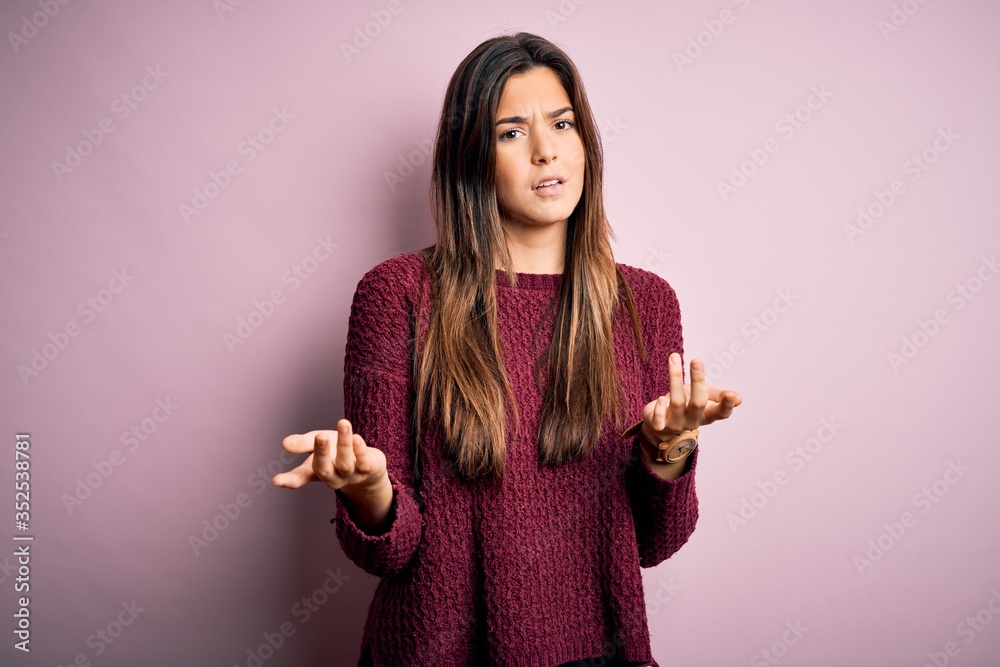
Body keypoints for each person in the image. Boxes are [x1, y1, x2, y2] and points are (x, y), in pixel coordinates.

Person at [273, 31, 742, 666]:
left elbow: (654, 542)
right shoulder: (398, 295)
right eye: (512, 132)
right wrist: (368, 489)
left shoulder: (645, 303)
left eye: (562, 123)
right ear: (472, 157)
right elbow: (389, 549)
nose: (547, 151)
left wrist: (670, 448)